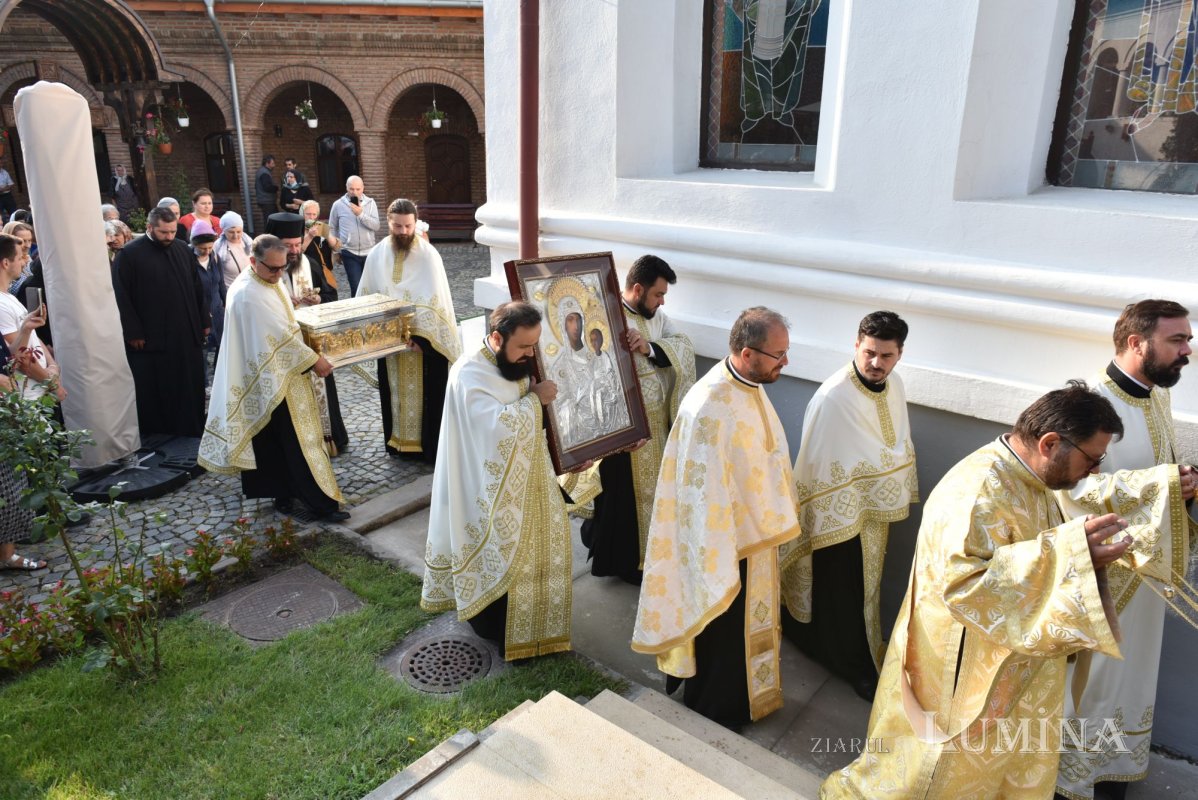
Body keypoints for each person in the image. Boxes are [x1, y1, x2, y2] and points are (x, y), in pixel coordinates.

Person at [823, 381, 1196, 800]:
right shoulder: (980, 490)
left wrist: (1080, 556)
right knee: (942, 773)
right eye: (1092, 459)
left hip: (1009, 668)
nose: (1095, 472)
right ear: (1050, 444)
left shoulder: (1031, 479)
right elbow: (961, 584)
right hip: (963, 675)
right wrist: (1068, 553)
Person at [632, 307, 806, 728]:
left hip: (755, 536)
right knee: (726, 629)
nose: (785, 362)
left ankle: (748, 699)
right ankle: (718, 707)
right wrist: (720, 550)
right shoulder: (709, 406)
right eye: (778, 355)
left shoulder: (749, 385)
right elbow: (699, 494)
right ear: (748, 354)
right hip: (724, 545)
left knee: (748, 625)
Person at [1055, 300, 1197, 800]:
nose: (1187, 350)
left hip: (1146, 569)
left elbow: (1155, 465)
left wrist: (1182, 484)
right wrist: (1163, 483)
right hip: (1103, 572)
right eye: (1177, 340)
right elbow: (1069, 487)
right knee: (1094, 680)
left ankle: (1113, 768)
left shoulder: (1156, 396)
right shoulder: (1086, 404)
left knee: (1132, 676)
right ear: (1137, 343)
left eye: (1188, 339)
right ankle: (1071, 781)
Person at [421, 301, 573, 660]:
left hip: (531, 478)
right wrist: (535, 401)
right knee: (505, 553)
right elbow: (492, 432)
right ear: (496, 338)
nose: (530, 354)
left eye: (534, 345)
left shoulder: (513, 364)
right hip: (486, 490)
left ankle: (539, 629)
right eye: (523, 346)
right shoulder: (469, 374)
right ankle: (505, 633)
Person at [780, 310, 917, 702]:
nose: (876, 363)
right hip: (835, 515)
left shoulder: (894, 385)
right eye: (869, 352)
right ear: (856, 345)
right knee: (842, 588)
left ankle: (853, 654)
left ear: (900, 354)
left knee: (864, 588)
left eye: (886, 356)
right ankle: (851, 665)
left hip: (872, 514)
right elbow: (817, 465)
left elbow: (896, 444)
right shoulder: (834, 398)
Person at [199, 235, 348, 522]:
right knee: (295, 442)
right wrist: (314, 360)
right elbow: (279, 337)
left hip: (276, 372)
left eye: (283, 267)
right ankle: (320, 505)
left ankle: (285, 494)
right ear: (253, 261)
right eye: (273, 268)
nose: (279, 274)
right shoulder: (247, 294)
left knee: (277, 440)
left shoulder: (265, 278)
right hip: (270, 375)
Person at [575, 254, 695, 584]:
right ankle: (624, 564)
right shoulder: (605, 318)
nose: (662, 302)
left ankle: (646, 558)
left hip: (654, 426)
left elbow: (682, 344)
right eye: (658, 294)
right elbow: (591, 375)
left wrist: (649, 347)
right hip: (622, 429)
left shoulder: (656, 317)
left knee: (652, 494)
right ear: (638, 289)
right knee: (620, 498)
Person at [357, 198, 459, 463]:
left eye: (408, 226)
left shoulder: (429, 255)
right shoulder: (377, 254)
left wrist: (422, 342)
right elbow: (367, 298)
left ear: (415, 224)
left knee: (428, 398)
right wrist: (384, 335)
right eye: (398, 226)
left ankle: (428, 449)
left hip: (423, 348)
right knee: (394, 395)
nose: (403, 231)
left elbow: (438, 304)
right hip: (391, 345)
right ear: (388, 223)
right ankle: (399, 445)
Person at [112, 205, 208, 438]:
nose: (169, 237)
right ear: (150, 227)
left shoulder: (182, 249)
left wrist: (204, 320)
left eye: (173, 232)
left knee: (189, 381)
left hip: (185, 332)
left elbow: (197, 287)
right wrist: (133, 332)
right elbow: (121, 296)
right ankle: (162, 433)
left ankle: (191, 425)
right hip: (151, 336)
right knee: (158, 384)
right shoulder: (130, 255)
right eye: (163, 232)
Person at [264, 211, 348, 454]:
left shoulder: (309, 263)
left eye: (297, 244)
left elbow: (332, 296)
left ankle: (329, 439)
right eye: (287, 246)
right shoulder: (264, 272)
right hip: (281, 347)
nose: (294, 251)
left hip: (312, 343)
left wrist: (319, 298)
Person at [0, 315, 49, 571]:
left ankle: (7, 555)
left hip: (6, 408)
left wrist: (25, 330)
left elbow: (8, 357)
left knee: (12, 487)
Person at [328, 175, 379, 297]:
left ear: (363, 188)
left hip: (369, 252)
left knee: (370, 287)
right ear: (346, 188)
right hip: (349, 252)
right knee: (356, 287)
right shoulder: (338, 205)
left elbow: (376, 226)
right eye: (351, 189)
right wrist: (335, 250)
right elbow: (332, 228)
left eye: (358, 189)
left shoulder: (371, 203)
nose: (354, 192)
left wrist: (361, 214)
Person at [189, 219, 224, 351]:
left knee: (221, 347)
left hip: (217, 311)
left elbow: (221, 283)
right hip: (199, 313)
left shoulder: (215, 257)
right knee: (204, 350)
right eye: (203, 248)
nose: (207, 251)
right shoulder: (187, 260)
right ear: (194, 245)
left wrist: (226, 303)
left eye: (210, 247)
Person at [299, 199, 341, 292]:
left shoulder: (320, 226)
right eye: (308, 214)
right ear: (302, 214)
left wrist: (326, 233)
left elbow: (336, 247)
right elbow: (298, 251)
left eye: (314, 214)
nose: (311, 217)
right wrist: (309, 236)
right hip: (307, 273)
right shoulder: (298, 228)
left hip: (324, 272)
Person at [214, 210, 252, 290]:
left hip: (249, 288)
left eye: (239, 231)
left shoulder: (249, 243)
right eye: (231, 232)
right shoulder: (218, 246)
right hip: (230, 290)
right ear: (224, 231)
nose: (235, 236)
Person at [255, 154, 278, 228]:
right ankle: (269, 235)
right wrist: (276, 188)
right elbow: (267, 187)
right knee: (270, 221)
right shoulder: (264, 173)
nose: (274, 165)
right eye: (272, 163)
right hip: (267, 202)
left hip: (265, 201)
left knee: (272, 220)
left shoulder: (262, 171)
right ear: (267, 163)